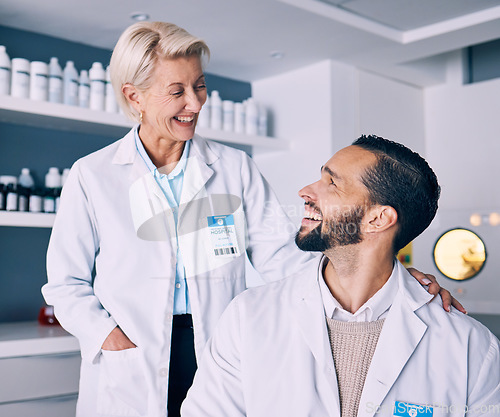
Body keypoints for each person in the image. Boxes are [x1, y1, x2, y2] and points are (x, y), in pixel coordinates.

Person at [42, 22, 460, 417]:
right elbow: (65, 283)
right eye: (177, 91)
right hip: (131, 351)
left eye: (200, 86)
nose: (196, 102)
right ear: (135, 97)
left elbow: (283, 256)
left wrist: (384, 278)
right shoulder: (93, 175)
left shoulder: (233, 167)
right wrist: (109, 339)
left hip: (213, 345)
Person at [182, 135, 500, 417]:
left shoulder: (471, 347)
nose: (305, 191)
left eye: (332, 183)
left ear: (378, 218)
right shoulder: (247, 317)